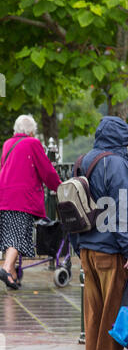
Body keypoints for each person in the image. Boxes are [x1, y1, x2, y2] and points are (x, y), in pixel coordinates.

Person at [71, 116, 128, 350]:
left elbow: (71, 204)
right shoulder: (117, 163)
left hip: (87, 249)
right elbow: (124, 208)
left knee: (93, 312)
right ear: (122, 138)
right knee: (114, 310)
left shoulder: (83, 160)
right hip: (110, 249)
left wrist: (77, 245)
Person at [0, 114, 61, 289]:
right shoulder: (33, 143)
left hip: (4, 195)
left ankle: (11, 276)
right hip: (22, 197)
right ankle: (5, 268)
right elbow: (47, 171)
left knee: (10, 234)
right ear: (31, 131)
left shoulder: (7, 144)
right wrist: (59, 187)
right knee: (19, 234)